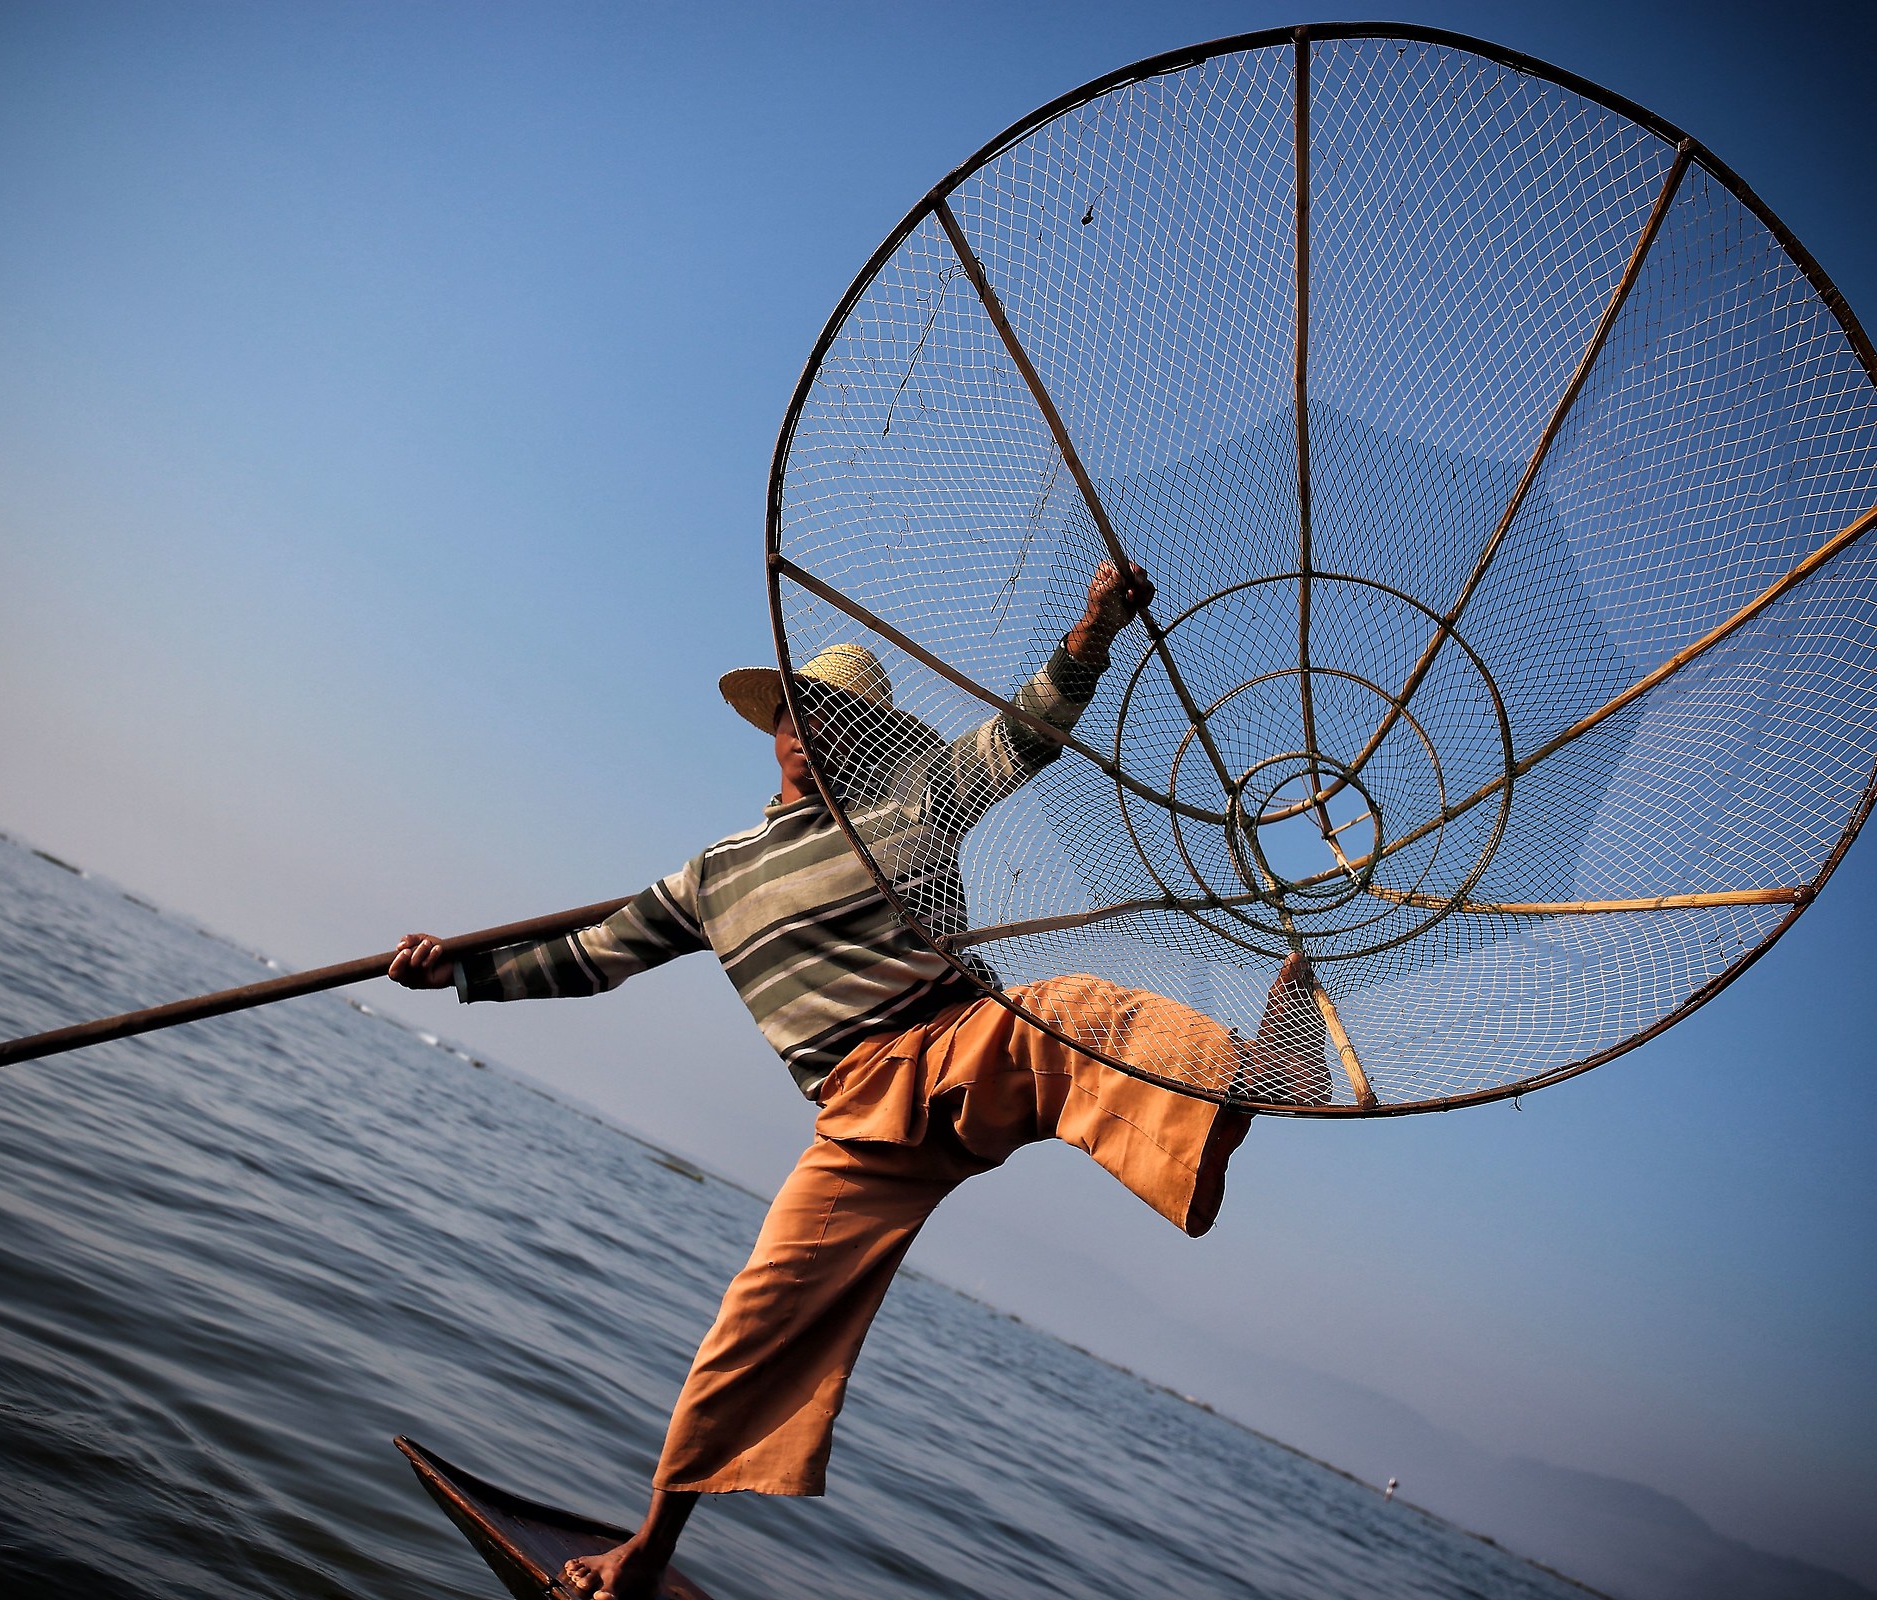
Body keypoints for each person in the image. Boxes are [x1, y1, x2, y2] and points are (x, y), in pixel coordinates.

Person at [388, 560, 1327, 1599]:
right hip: (860, 1117)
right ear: (775, 726)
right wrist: (458, 972)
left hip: (967, 1046)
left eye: (831, 715)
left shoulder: (918, 798)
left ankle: (1264, 1073)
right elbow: (586, 956)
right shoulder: (712, 876)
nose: (806, 727)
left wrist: (1093, 626)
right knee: (755, 1319)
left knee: (1078, 1009)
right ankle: (646, 1554)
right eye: (794, 710)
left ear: (866, 734)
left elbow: (1029, 730)